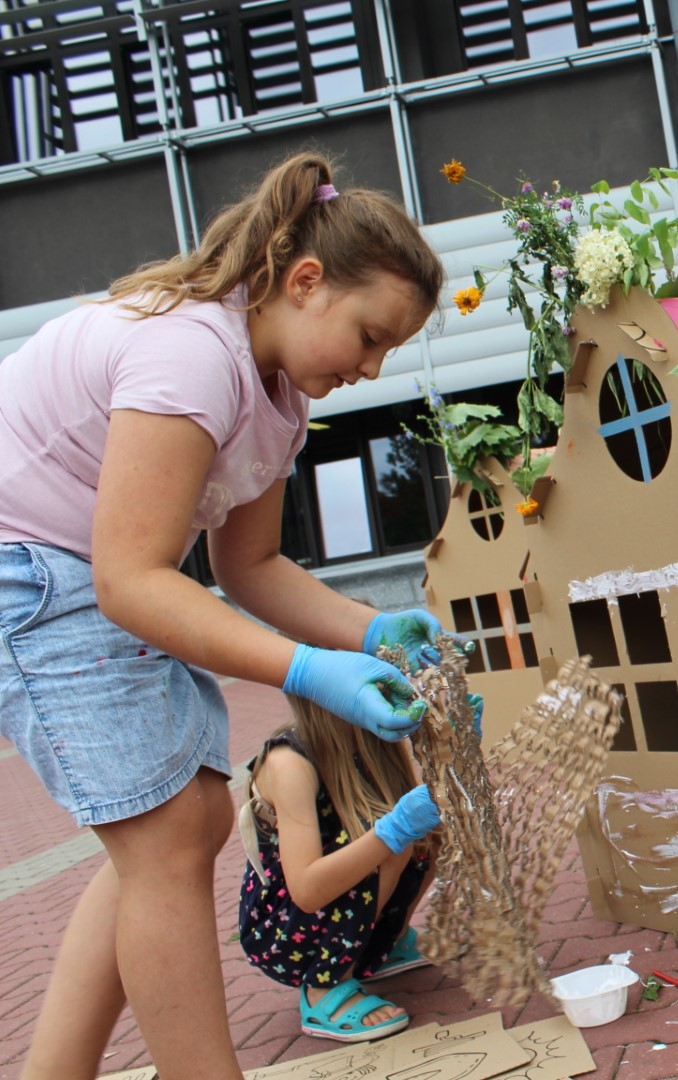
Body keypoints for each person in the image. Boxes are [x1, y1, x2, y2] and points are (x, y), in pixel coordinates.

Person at [0, 152, 452, 1079]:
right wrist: (302, 669)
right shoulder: (192, 355)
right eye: (369, 337)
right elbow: (130, 580)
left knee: (181, 829)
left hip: (81, 567)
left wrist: (367, 633)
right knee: (167, 836)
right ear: (306, 281)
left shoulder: (278, 396)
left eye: (388, 354)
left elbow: (246, 565)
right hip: (34, 568)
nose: (370, 368)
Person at [238, 692, 477, 1041]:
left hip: (335, 920)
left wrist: (457, 747)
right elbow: (305, 890)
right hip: (282, 933)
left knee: (430, 827)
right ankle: (326, 985)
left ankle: (385, 943)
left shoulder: (372, 739)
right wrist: (391, 832)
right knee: (386, 841)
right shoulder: (289, 761)